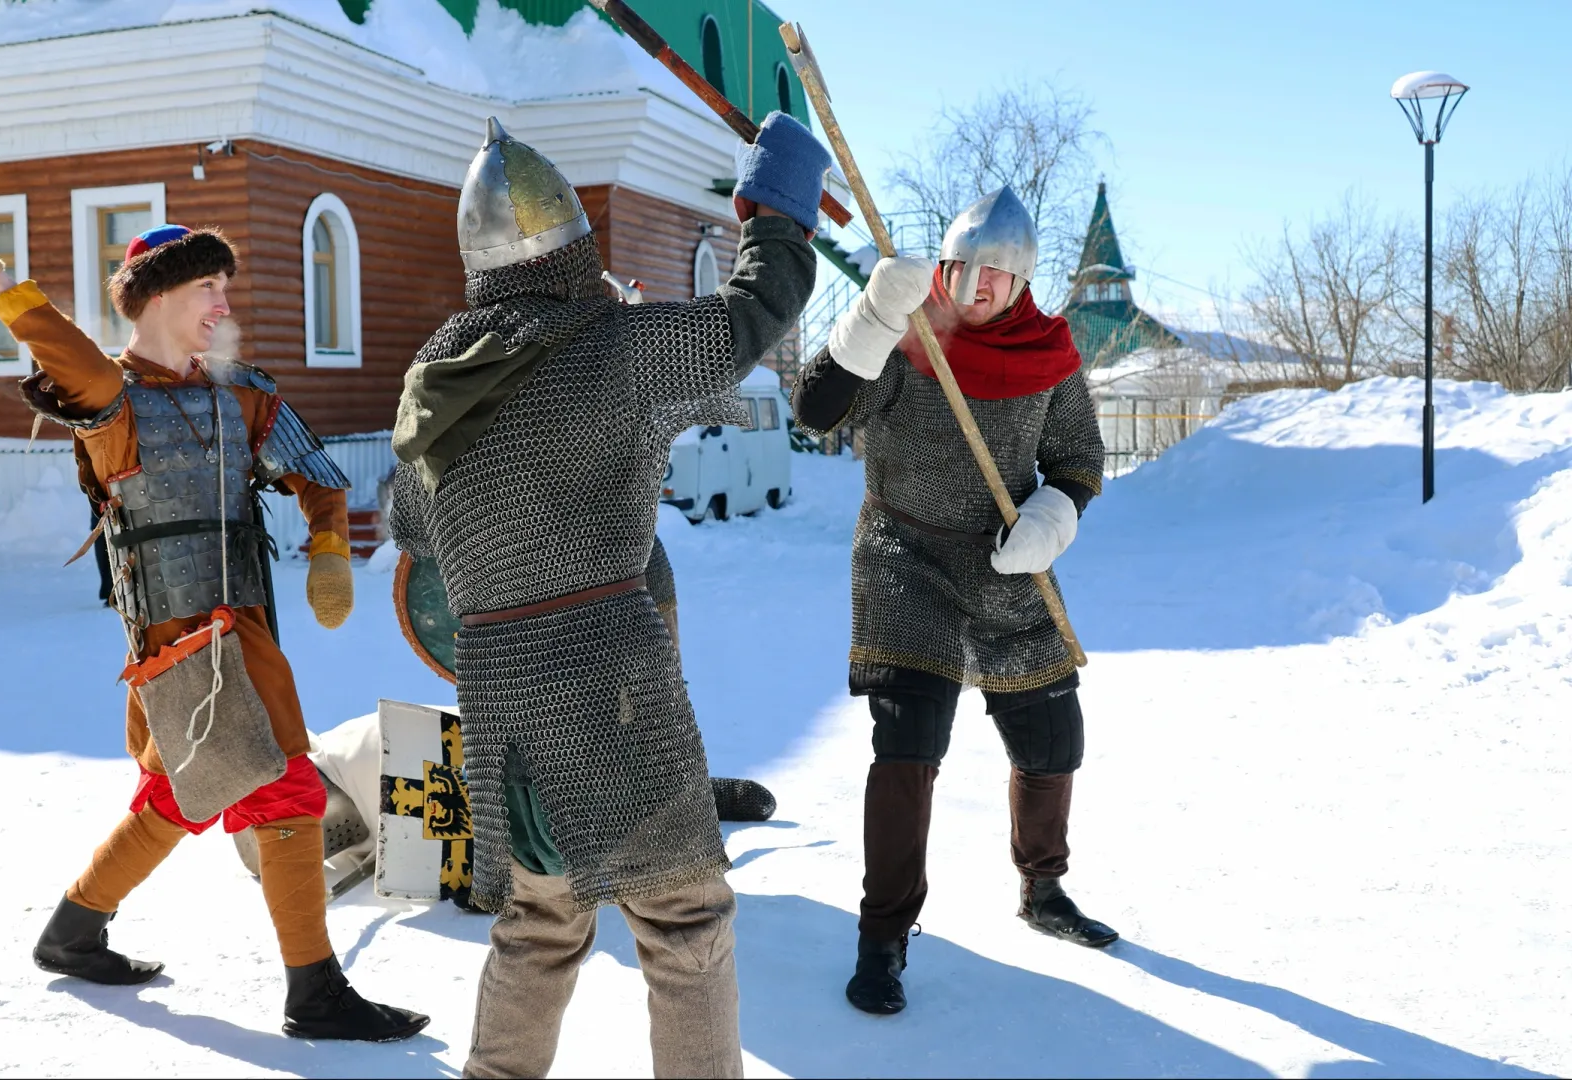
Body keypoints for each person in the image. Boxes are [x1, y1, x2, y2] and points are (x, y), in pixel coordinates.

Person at [385, 114, 823, 1078]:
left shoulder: (436, 379)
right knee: (683, 920)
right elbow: (752, 316)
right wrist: (777, 208)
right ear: (576, 244)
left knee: (541, 925)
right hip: (611, 690)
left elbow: (413, 529)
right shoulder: (616, 348)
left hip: (505, 699)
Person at [0, 223, 427, 1042]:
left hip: (247, 624)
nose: (223, 306)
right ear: (157, 296)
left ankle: (74, 931)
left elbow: (318, 473)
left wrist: (330, 546)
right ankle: (316, 994)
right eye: (207, 290)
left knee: (180, 794)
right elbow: (74, 358)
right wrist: (1, 291)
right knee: (287, 790)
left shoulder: (239, 390)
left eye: (223, 291)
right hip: (180, 635)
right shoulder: (109, 395)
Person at [790, 186, 1119, 1018]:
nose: (979, 290)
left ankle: (1043, 890)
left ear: (1023, 285)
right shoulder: (909, 337)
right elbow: (814, 411)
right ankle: (883, 937)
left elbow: (1079, 460)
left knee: (1052, 736)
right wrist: (868, 322)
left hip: (1007, 564)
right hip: (905, 558)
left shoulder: (1050, 353)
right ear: (944, 266)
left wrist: (1053, 516)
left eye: (999, 277)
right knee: (909, 744)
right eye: (967, 270)